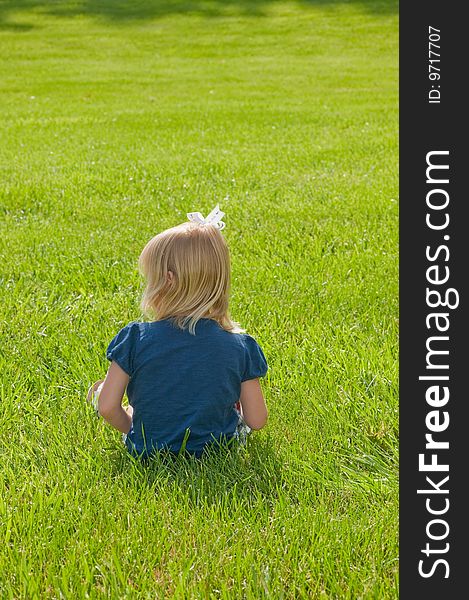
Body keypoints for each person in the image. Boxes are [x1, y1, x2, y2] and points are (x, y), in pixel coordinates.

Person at [86, 205, 268, 459]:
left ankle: (104, 391)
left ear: (168, 280)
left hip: (148, 449)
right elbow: (257, 420)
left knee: (105, 394)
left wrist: (135, 431)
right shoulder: (240, 346)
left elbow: (107, 407)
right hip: (218, 450)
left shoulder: (135, 339)